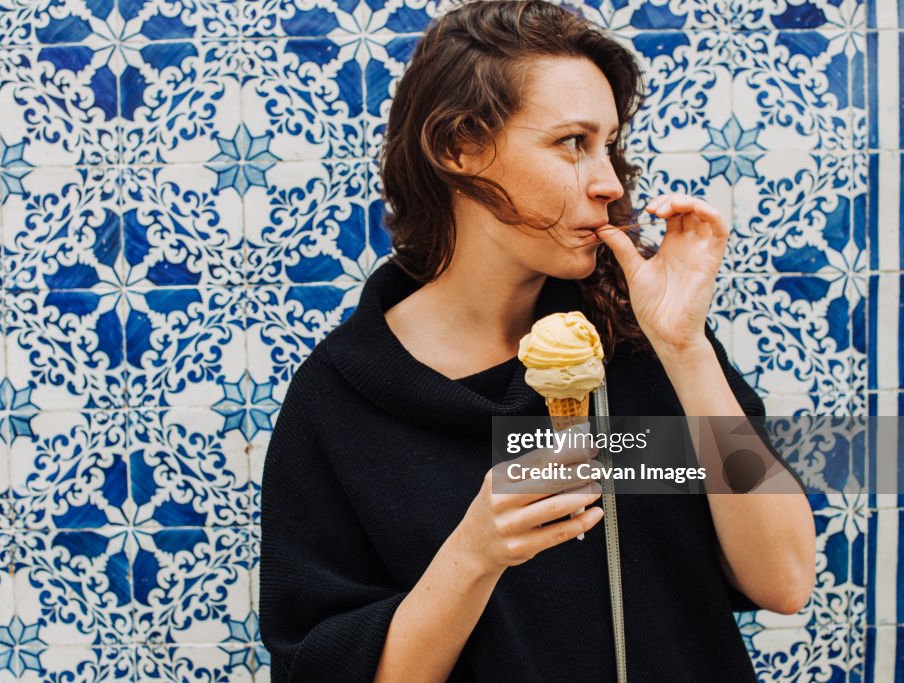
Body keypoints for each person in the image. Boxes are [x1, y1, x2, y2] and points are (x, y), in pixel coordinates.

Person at [259, 1, 817, 681]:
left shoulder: (637, 345)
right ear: (458, 147)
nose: (609, 182)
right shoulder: (340, 402)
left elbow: (784, 581)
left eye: (609, 143)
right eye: (572, 142)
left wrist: (686, 349)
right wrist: (475, 553)